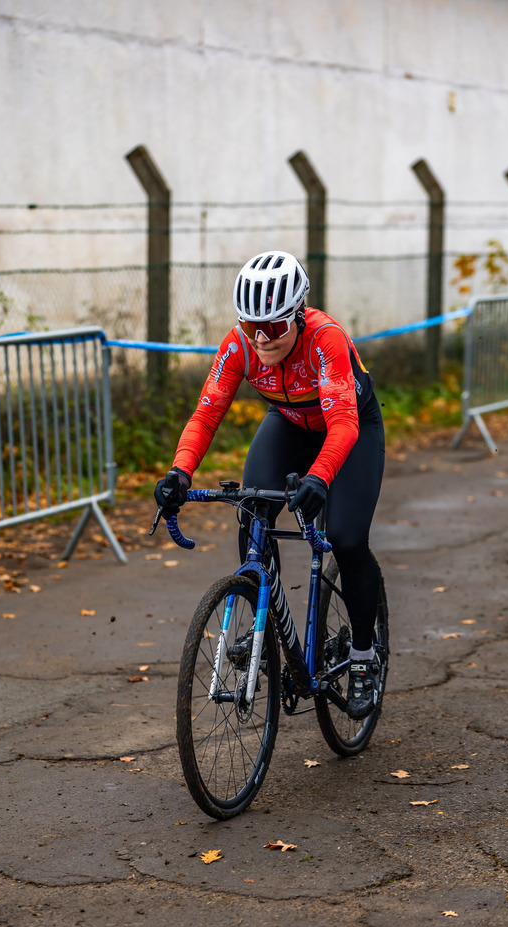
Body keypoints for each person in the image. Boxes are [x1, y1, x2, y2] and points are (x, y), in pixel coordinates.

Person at [154, 251, 386, 719]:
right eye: (250, 324)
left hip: (349, 429)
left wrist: (321, 477)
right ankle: (265, 611)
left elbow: (342, 424)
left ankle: (363, 657)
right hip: (290, 422)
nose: (261, 338)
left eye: (275, 328)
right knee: (252, 506)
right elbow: (206, 413)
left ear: (299, 315)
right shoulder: (238, 345)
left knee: (345, 538)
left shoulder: (325, 340)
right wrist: (180, 472)